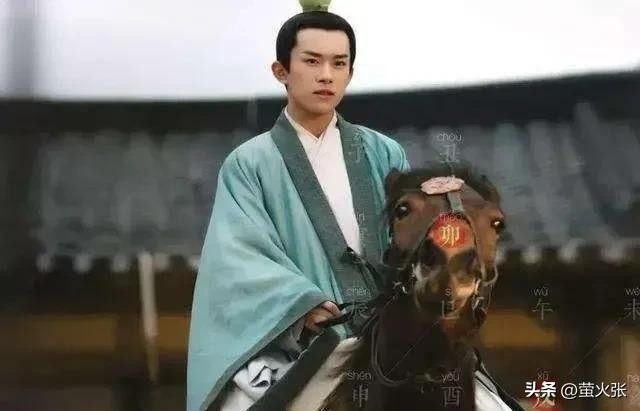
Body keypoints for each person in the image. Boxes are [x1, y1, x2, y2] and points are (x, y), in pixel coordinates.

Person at [186, 6, 410, 411]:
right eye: (311, 61)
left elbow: (411, 241)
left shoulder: (385, 153)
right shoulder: (249, 164)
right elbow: (237, 260)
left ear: (350, 73)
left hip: (389, 340)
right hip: (300, 344)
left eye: (338, 63)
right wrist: (301, 303)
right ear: (281, 71)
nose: (326, 75)